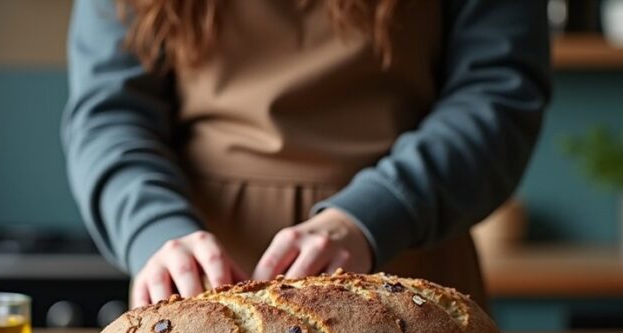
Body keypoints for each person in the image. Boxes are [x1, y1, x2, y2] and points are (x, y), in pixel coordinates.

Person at [63, 0, 551, 308]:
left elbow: (497, 96)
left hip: (405, 264)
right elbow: (110, 114)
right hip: (199, 281)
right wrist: (153, 228)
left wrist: (373, 215)